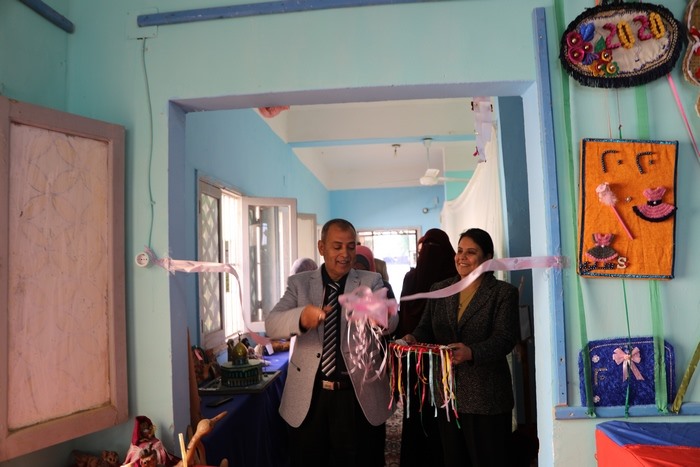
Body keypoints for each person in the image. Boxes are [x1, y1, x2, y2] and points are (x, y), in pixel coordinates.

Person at [266, 218, 398, 467]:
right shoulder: (300, 284)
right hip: (310, 398)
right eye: (337, 246)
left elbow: (391, 323)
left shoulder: (370, 281)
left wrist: (379, 316)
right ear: (321, 247)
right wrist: (301, 317)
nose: (345, 254)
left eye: (351, 246)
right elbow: (272, 324)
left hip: (358, 398)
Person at [402, 228, 519, 467]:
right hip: (448, 394)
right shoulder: (440, 289)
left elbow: (505, 339)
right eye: (459, 251)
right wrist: (413, 338)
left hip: (486, 396)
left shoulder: (503, 293)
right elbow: (425, 328)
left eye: (471, 252)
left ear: (488, 258)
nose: (462, 257)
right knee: (454, 459)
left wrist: (471, 352)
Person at [397, 228, 457, 467]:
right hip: (442, 359)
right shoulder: (453, 278)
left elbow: (405, 319)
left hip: (423, 359)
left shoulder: (415, 279)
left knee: (424, 412)